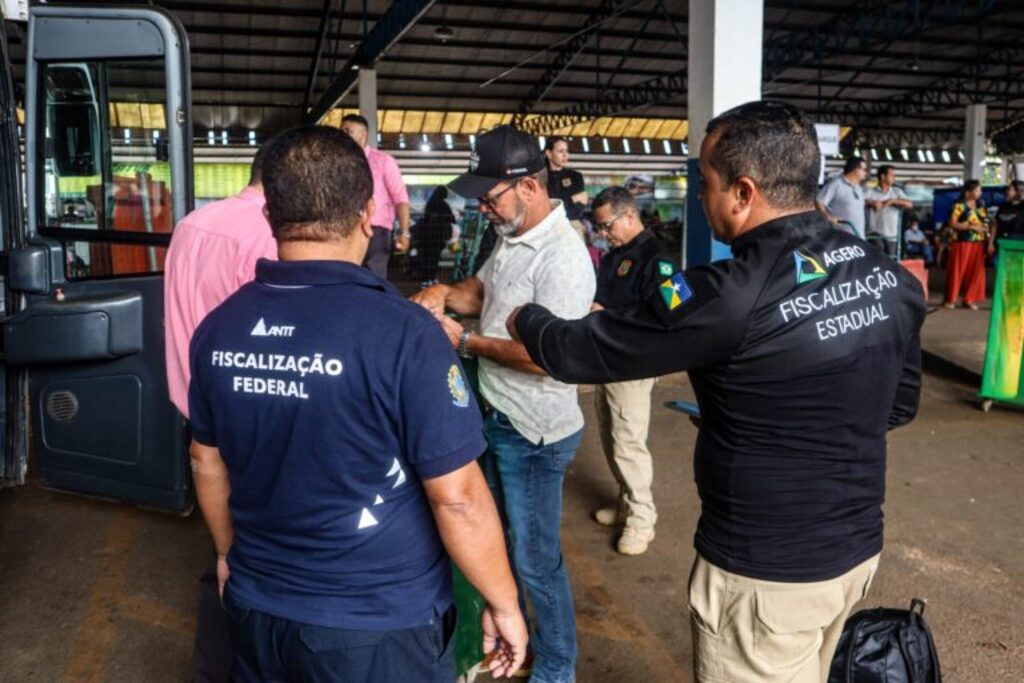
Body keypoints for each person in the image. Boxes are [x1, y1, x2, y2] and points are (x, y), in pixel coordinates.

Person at [507, 101, 926, 683]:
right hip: (854, 552)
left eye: (704, 183)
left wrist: (524, 315)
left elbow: (581, 351)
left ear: (743, 191)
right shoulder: (888, 274)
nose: (701, 200)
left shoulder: (725, 296)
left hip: (765, 576)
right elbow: (898, 405)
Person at [187, 126, 527, 682]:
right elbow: (459, 498)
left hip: (256, 606)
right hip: (377, 630)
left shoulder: (219, 328)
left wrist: (230, 557)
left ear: (271, 215)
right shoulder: (405, 333)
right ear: (370, 214)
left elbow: (206, 461)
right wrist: (505, 603)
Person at [411, 124, 595, 683]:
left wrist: (463, 341)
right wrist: (442, 293)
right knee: (490, 542)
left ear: (531, 188)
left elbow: (548, 358)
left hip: (534, 430)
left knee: (536, 560)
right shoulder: (513, 235)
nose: (484, 209)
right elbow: (482, 292)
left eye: (491, 198)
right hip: (495, 411)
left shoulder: (564, 257)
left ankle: (557, 667)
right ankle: (503, 637)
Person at [164, 145, 277, 683]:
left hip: (196, 410)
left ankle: (212, 667)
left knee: (222, 541)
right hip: (245, 417)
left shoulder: (192, 223)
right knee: (252, 552)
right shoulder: (265, 237)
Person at [588, 186, 676, 556]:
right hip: (606, 359)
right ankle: (626, 502)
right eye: (599, 229)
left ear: (628, 215)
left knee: (628, 441)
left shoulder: (658, 258)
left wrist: (613, 319)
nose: (603, 234)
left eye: (607, 226)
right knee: (610, 435)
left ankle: (642, 517)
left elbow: (674, 309)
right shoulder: (614, 258)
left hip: (633, 362)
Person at [340, 114, 411, 278]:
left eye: (347, 131)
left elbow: (400, 198)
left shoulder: (384, 161)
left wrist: (404, 232)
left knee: (374, 277)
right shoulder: (340, 164)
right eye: (341, 131)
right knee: (347, 276)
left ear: (363, 134)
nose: (342, 135)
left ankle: (375, 302)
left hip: (376, 231)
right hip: (347, 229)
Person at [943, 179, 990, 310]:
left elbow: (985, 220)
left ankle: (969, 299)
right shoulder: (959, 205)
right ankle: (950, 299)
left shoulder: (981, 205)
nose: (980, 192)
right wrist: (971, 227)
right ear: (968, 192)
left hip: (978, 242)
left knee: (975, 272)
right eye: (977, 190)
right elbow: (952, 223)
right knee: (957, 270)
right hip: (961, 241)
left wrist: (985, 229)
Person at [410, 185, 456, 287]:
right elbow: (452, 219)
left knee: (426, 258)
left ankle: (425, 280)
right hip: (437, 237)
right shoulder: (444, 205)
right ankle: (431, 278)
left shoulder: (430, 203)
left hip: (426, 237)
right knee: (434, 258)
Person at [865, 165, 913, 258]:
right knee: (877, 258)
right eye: (892, 175)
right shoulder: (870, 192)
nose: (894, 178)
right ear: (883, 177)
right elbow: (858, 201)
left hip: (892, 235)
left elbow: (910, 204)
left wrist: (892, 201)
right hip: (874, 233)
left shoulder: (896, 192)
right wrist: (871, 203)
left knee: (891, 260)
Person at [816, 155, 868, 239]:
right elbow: (819, 201)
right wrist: (828, 217)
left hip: (858, 236)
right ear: (855, 169)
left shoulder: (858, 188)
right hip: (841, 237)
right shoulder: (836, 184)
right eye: (864, 170)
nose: (866, 173)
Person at [544, 136, 588, 230]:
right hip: (549, 227)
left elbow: (578, 210)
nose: (565, 155)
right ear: (549, 153)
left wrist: (558, 202)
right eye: (560, 151)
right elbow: (543, 208)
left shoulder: (575, 176)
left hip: (572, 225)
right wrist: (572, 198)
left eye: (566, 151)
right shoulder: (540, 178)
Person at [993, 180, 1024, 245]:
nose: (1007, 192)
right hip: (1002, 242)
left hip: (1020, 244)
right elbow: (995, 225)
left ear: (1018, 191)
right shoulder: (1003, 206)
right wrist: (991, 243)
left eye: (1010, 190)